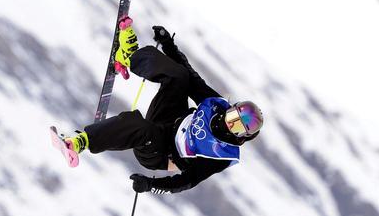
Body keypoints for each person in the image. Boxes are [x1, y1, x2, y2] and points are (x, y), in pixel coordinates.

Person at [56, 17, 264, 194]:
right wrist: (169, 46)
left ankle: (79, 142)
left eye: (237, 126)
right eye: (232, 116)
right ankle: (128, 57)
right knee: (179, 77)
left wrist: (150, 184)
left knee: (140, 126)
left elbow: (187, 181)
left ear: (241, 137)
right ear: (231, 108)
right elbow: (191, 76)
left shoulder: (221, 155)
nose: (229, 123)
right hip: (170, 118)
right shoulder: (216, 105)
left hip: (160, 152)